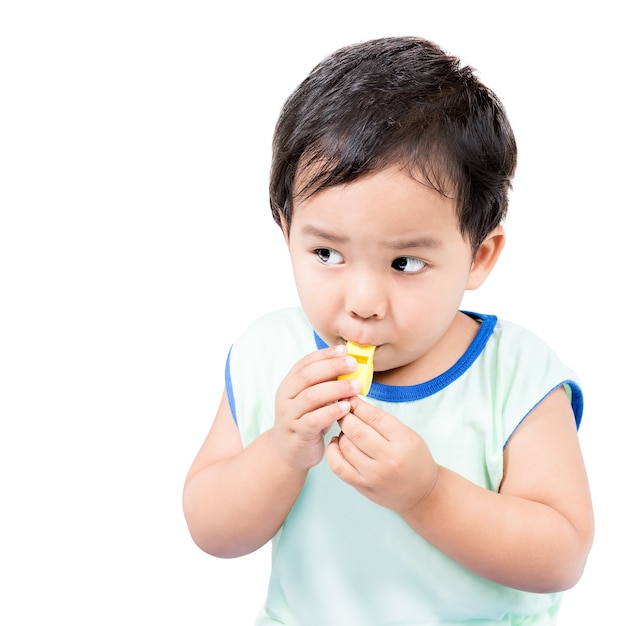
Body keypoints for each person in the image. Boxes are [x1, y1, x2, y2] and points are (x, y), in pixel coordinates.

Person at [183, 36, 593, 625]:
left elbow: (562, 556)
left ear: (479, 255)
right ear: (286, 229)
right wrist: (280, 452)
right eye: (326, 252)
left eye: (405, 263)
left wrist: (427, 494)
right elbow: (209, 528)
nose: (363, 302)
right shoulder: (269, 355)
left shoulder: (518, 375)